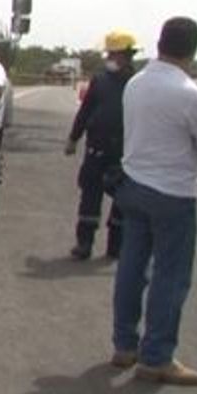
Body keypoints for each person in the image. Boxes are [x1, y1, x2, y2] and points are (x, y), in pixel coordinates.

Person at [110, 17, 197, 385]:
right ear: (193, 49)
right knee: (170, 277)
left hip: (134, 184)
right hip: (172, 192)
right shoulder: (191, 94)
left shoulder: (136, 84)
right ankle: (157, 356)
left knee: (131, 266)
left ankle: (125, 344)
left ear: (159, 43)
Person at [65, 30, 138, 260]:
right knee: (89, 197)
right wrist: (73, 138)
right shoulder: (100, 80)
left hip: (125, 153)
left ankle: (115, 247)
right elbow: (85, 111)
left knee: (122, 202)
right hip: (96, 148)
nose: (109, 58)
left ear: (126, 55)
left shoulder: (138, 84)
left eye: (113, 54)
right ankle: (84, 243)